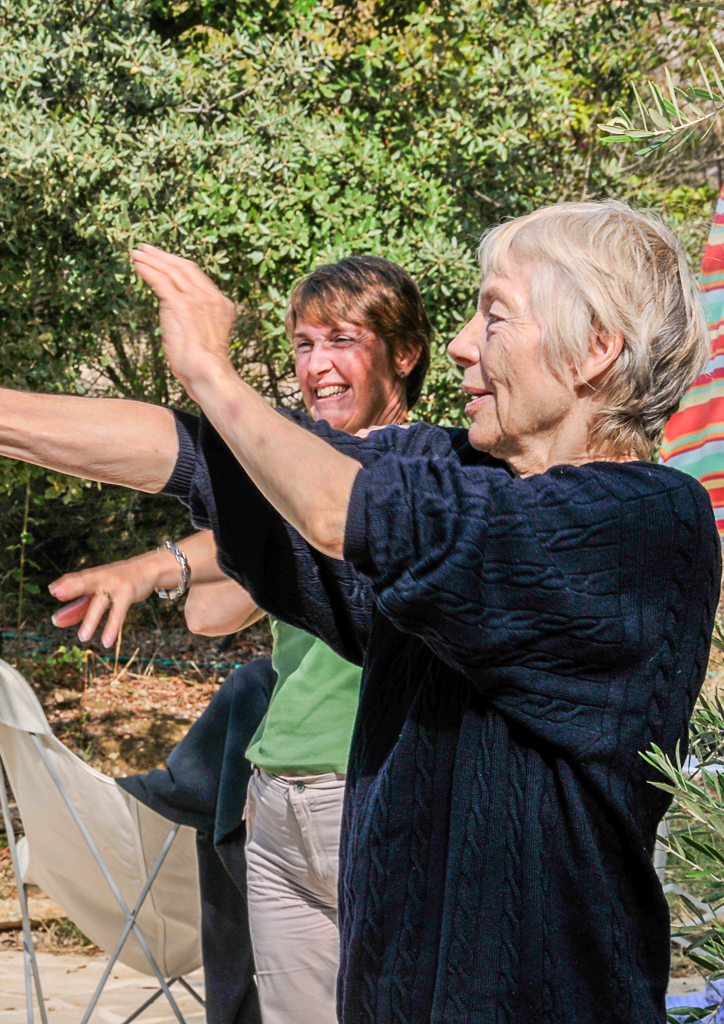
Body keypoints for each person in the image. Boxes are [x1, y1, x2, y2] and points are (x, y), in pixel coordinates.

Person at [0, 199, 718, 1021]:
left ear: (596, 349)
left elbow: (340, 511)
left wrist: (212, 367)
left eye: (496, 314)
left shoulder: (642, 521)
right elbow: (201, 454)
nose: (459, 344)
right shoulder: (469, 472)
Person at [48, 255, 432, 1024]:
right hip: (277, 795)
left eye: (342, 341)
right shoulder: (293, 478)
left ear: (405, 354)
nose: (317, 366)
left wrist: (157, 564)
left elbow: (323, 519)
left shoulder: (429, 469)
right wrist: (155, 573)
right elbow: (212, 613)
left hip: (370, 792)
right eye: (302, 344)